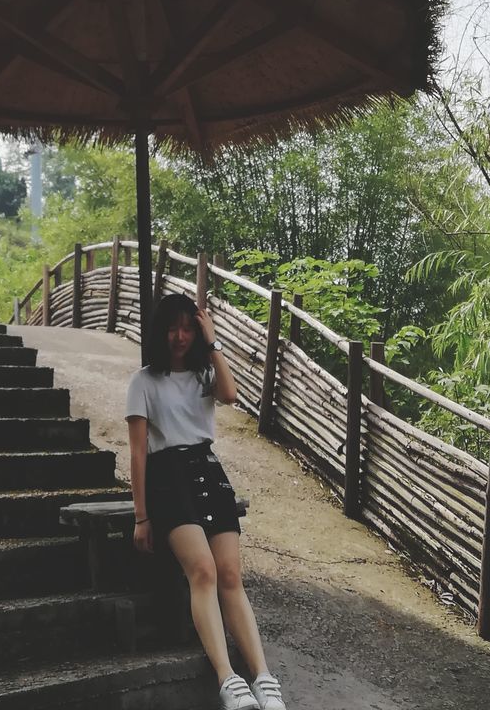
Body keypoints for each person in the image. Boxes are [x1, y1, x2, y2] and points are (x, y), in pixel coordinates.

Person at [125, 291, 287, 710]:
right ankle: (227, 680)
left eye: (187, 328)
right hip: (165, 478)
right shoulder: (143, 382)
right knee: (203, 572)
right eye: (172, 328)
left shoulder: (202, 375)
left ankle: (264, 679)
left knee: (231, 574)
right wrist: (142, 516)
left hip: (208, 471)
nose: (179, 336)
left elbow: (231, 395)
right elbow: (138, 453)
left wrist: (213, 343)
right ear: (160, 332)